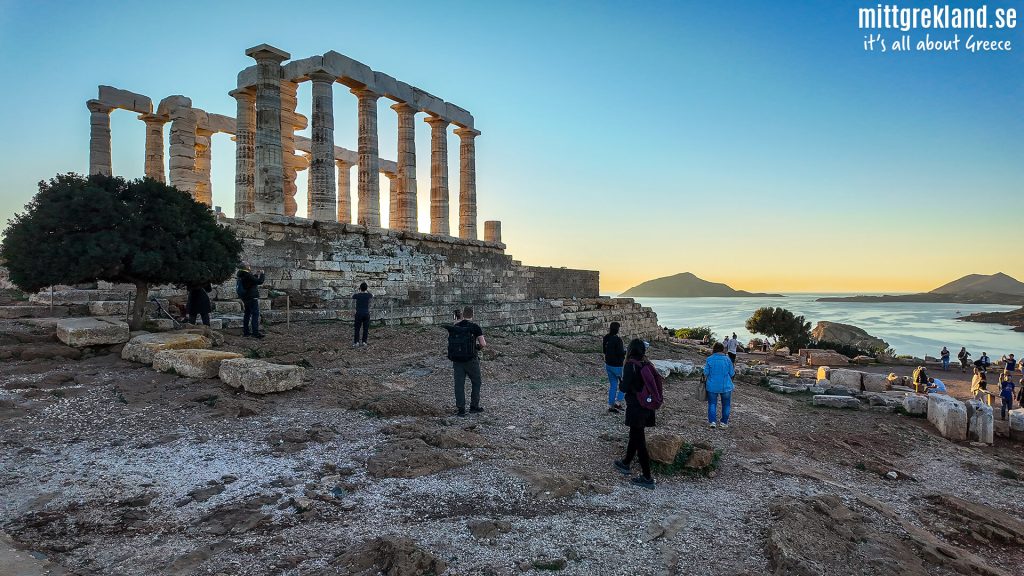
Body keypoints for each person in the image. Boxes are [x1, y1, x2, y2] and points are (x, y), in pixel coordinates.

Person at [613, 338, 658, 490]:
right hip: (647, 405)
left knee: (640, 441)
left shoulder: (630, 365)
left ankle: (647, 477)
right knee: (634, 435)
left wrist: (621, 383)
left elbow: (624, 388)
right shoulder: (647, 364)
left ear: (630, 350)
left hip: (636, 407)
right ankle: (626, 462)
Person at [447, 306, 486, 416]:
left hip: (457, 360)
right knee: (476, 382)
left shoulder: (455, 326)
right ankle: (474, 406)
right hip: (471, 359)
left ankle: (461, 409)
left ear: (463, 315)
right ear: (473, 315)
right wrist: (477, 348)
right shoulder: (475, 327)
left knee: (459, 384)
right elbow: (483, 344)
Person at [703, 342, 735, 429]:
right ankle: (724, 423)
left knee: (712, 403)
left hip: (712, 385)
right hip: (726, 386)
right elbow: (732, 373)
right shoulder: (728, 359)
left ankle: (712, 422)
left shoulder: (709, 359)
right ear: (722, 349)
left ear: (714, 349)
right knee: (726, 404)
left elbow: (706, 372)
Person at [236, 262, 265, 338]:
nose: (249, 266)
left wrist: (256, 275)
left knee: (247, 314)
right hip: (252, 297)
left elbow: (250, 281)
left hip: (245, 297)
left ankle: (246, 332)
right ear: (246, 267)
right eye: (248, 265)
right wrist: (262, 274)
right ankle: (255, 333)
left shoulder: (241, 274)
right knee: (255, 314)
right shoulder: (247, 274)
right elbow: (259, 281)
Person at [602, 322, 626, 413]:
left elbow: (604, 351)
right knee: (624, 384)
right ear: (617, 329)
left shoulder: (606, 337)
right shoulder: (618, 340)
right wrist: (626, 351)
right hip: (617, 366)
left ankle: (610, 405)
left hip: (608, 365)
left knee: (613, 385)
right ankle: (618, 402)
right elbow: (620, 353)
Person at [351, 282, 373, 347]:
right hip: (366, 313)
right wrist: (367, 290)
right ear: (366, 288)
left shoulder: (357, 295)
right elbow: (372, 295)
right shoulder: (368, 295)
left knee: (357, 328)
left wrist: (357, 290)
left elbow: (352, 296)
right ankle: (364, 342)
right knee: (365, 329)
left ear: (360, 288)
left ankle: (356, 342)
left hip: (359, 313)